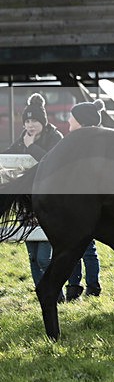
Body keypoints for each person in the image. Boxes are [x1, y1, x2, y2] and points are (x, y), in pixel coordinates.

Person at [3, 94, 65, 300]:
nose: (30, 125)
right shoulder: (22, 139)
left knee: (44, 257)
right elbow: (9, 157)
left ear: (43, 121)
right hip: (28, 203)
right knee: (32, 257)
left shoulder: (54, 137)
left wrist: (31, 147)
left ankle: (57, 293)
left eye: (34, 121)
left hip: (50, 203)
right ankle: (44, 295)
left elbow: (53, 161)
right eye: (27, 121)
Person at [63, 100, 105, 300]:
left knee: (79, 247)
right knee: (87, 248)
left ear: (80, 120)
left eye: (72, 117)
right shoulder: (96, 139)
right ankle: (90, 287)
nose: (69, 120)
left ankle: (77, 287)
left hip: (81, 202)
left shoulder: (80, 142)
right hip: (86, 201)